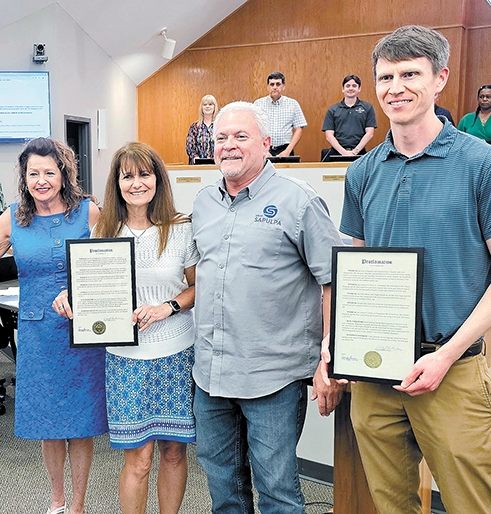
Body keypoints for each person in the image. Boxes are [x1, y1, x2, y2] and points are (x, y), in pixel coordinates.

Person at [338, 25, 491, 513]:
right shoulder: (361, 171)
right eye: (385, 76)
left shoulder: (483, 164)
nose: (394, 87)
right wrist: (340, 347)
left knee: (472, 506)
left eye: (409, 74)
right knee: (390, 505)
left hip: (452, 371)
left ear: (440, 78)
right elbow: (355, 269)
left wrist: (446, 355)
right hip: (377, 375)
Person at [191, 101, 343, 513]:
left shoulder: (299, 201)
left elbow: (335, 281)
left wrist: (328, 359)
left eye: (240, 136)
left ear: (266, 143)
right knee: (223, 489)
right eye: (221, 138)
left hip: (272, 377)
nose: (228, 146)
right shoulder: (203, 204)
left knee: (277, 491)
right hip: (211, 375)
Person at [52, 142, 197, 514]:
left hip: (175, 354)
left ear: (157, 179)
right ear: (116, 183)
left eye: (144, 174)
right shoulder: (104, 229)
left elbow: (199, 287)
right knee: (139, 458)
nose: (136, 183)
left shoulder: (181, 228)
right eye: (127, 175)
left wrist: (168, 306)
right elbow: (91, 284)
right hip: (125, 358)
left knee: (174, 454)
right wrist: (71, 296)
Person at [0, 138, 106, 514]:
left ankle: (78, 505)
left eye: (50, 172)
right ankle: (57, 501)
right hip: (36, 333)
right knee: (49, 421)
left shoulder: (87, 213)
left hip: (81, 332)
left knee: (80, 420)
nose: (42, 180)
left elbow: (110, 263)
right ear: (24, 177)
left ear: (63, 175)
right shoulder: (13, 217)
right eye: (34, 173)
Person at [321, 74, 378, 160]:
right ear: (343, 89)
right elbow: (329, 135)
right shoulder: (333, 110)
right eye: (347, 86)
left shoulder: (368, 108)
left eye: (354, 86)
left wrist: (355, 151)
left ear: (359, 89)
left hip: (359, 153)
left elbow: (369, 133)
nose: (351, 88)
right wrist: (344, 152)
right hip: (336, 153)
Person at [254, 72, 307, 156]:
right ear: (268, 87)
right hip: (264, 149)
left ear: (283, 87)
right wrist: (263, 150)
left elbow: (299, 129)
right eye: (272, 84)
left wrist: (288, 150)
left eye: (278, 84)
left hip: (286, 149)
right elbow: (254, 129)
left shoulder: (292, 104)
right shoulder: (258, 104)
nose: (275, 87)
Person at [186, 94, 218, 164]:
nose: (207, 106)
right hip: (198, 166)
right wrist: (196, 158)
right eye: (205, 104)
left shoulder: (219, 126)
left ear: (214, 107)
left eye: (210, 104)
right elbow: (190, 146)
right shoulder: (195, 127)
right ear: (201, 107)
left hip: (216, 165)